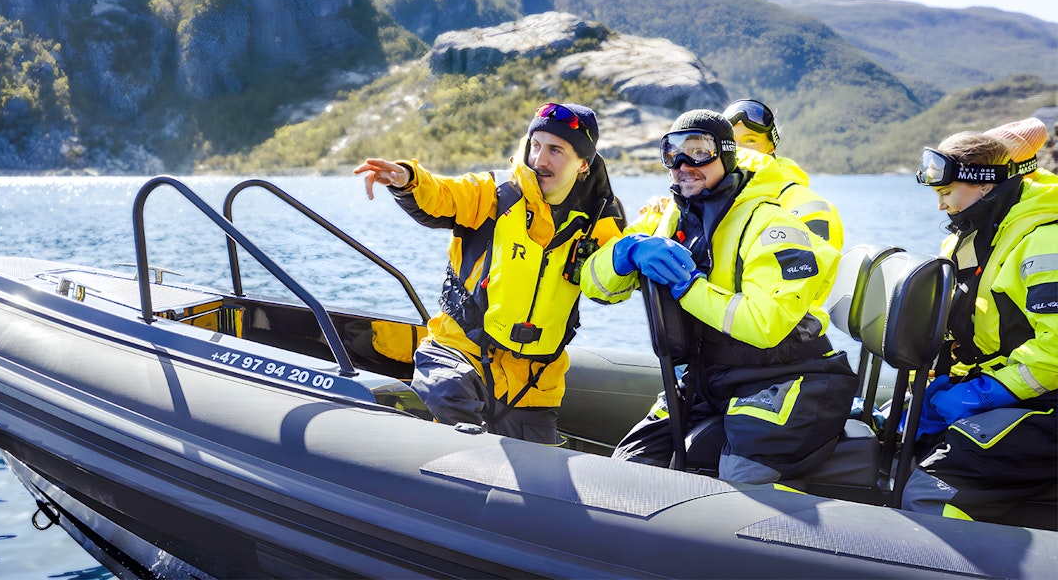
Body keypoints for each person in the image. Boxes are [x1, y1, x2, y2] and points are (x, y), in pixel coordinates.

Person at [581, 110, 856, 484]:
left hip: (785, 373)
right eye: (671, 153)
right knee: (629, 468)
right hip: (705, 379)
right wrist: (624, 252)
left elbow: (765, 325)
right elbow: (595, 285)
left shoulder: (772, 224)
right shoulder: (671, 214)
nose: (683, 165)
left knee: (742, 475)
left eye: (698, 152)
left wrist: (689, 287)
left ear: (726, 155)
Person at [353, 102, 624, 443]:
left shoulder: (602, 220)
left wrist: (639, 251)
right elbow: (442, 196)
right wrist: (408, 179)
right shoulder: (493, 192)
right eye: (535, 145)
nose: (539, 160)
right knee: (446, 392)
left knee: (539, 476)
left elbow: (612, 286)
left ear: (583, 163)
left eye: (556, 150)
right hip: (460, 349)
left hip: (535, 380)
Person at [902, 129, 1057, 522]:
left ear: (985, 187)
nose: (941, 207)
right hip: (1009, 391)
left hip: (1045, 405)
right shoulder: (972, 236)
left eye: (946, 193)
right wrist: (947, 377)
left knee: (930, 493)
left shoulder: (1045, 241)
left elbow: (1054, 351)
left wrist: (985, 393)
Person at [722, 98, 845, 251]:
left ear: (771, 147)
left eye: (750, 140)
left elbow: (817, 269)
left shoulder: (808, 205)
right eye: (731, 142)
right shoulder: (705, 194)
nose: (739, 149)